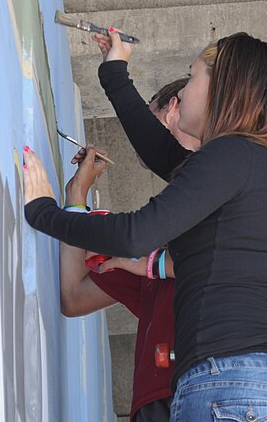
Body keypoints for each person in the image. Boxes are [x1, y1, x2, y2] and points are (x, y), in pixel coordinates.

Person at [24, 30, 267, 422]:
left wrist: (42, 212)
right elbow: (164, 154)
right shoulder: (261, 167)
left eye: (192, 77)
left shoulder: (233, 155)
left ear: (220, 88)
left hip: (237, 387)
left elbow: (136, 234)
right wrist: (115, 72)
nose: (185, 91)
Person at [57, 77, 199, 422]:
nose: (140, 142)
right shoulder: (152, 241)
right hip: (156, 403)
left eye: (145, 121)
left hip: (190, 393)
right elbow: (74, 297)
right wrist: (77, 198)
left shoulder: (223, 209)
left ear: (174, 110)